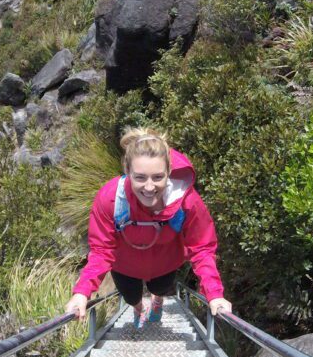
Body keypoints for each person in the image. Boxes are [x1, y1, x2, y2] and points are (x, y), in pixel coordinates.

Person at [64, 128, 232, 327]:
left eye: (158, 177)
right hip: (124, 266)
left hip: (166, 264)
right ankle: (139, 309)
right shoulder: (110, 199)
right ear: (127, 171)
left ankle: (157, 301)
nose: (150, 187)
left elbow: (202, 248)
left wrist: (214, 294)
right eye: (140, 177)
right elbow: (101, 250)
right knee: (130, 296)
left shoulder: (186, 201)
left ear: (169, 171)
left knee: (160, 288)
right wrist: (82, 292)